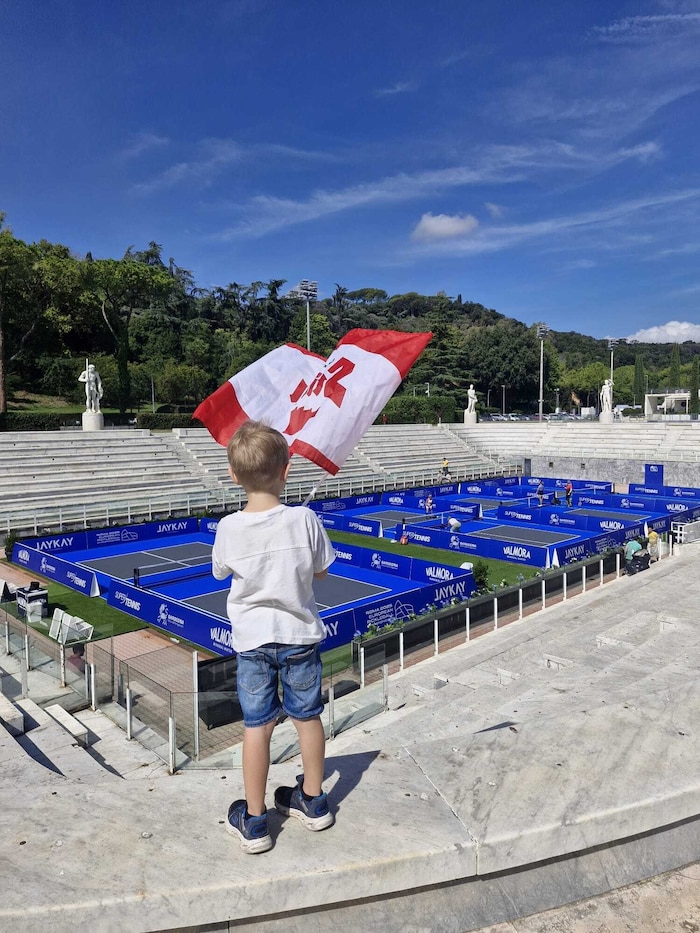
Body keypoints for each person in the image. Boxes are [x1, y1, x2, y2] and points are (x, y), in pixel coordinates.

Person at [212, 421, 336, 853]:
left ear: (233, 475)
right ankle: (313, 801)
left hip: (252, 643)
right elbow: (322, 571)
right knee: (307, 718)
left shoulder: (228, 527)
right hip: (299, 636)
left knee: (257, 726)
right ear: (286, 470)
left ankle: (254, 820)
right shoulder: (305, 519)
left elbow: (220, 572)